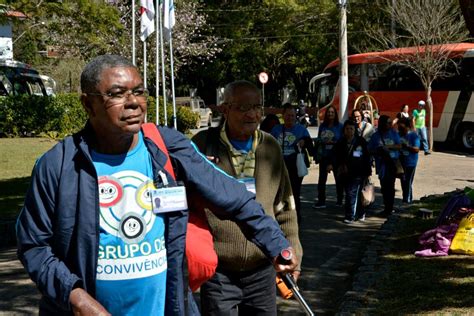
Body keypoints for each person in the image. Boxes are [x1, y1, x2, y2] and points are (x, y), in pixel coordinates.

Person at [16, 55, 298, 316]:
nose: (133, 102)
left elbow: (234, 196)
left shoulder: (167, 147)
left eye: (139, 92)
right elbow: (34, 246)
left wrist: (277, 245)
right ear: (88, 104)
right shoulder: (58, 165)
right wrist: (75, 297)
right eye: (117, 94)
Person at [192, 80, 303, 316]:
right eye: (243, 108)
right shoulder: (202, 145)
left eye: (257, 107)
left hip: (262, 268)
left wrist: (293, 250)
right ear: (225, 109)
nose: (252, 114)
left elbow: (285, 207)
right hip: (218, 272)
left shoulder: (270, 147)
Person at [271, 103, 313, 223]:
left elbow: (311, 147)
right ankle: (279, 216)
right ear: (283, 116)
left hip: (295, 166)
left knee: (294, 192)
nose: (290, 118)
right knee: (279, 193)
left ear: (296, 116)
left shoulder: (301, 129)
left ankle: (295, 218)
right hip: (279, 167)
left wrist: (304, 141)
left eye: (293, 115)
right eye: (288, 115)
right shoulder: (276, 129)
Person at [329, 120, 372, 223]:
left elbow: (367, 157)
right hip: (345, 173)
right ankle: (360, 213)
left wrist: (368, 172)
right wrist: (332, 165)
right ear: (344, 130)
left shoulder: (361, 141)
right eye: (347, 129)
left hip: (359, 172)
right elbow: (335, 155)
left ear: (355, 130)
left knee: (352, 193)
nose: (349, 131)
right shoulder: (341, 142)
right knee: (351, 193)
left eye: (351, 129)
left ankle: (350, 216)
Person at [368, 115, 402, 217]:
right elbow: (369, 149)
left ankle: (389, 208)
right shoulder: (375, 136)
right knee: (384, 187)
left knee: (390, 187)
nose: (390, 124)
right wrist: (378, 150)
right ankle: (387, 207)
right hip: (382, 165)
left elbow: (399, 145)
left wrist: (387, 147)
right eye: (388, 123)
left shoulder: (393, 133)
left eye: (390, 122)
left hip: (392, 164)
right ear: (382, 124)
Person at [313, 105, 344, 208]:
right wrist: (321, 141)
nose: (330, 114)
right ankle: (321, 201)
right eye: (329, 112)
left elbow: (342, 141)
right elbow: (318, 139)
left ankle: (340, 200)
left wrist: (333, 142)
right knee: (322, 180)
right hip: (324, 155)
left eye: (332, 112)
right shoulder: (322, 126)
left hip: (336, 156)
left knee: (338, 179)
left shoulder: (340, 126)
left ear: (335, 114)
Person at [398, 117, 420, 204]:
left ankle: (407, 200)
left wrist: (406, 146)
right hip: (401, 162)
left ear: (407, 127)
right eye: (399, 128)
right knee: (403, 181)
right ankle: (406, 199)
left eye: (402, 128)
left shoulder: (413, 135)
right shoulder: (399, 135)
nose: (400, 130)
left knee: (407, 181)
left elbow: (417, 149)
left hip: (410, 163)